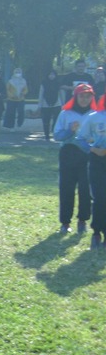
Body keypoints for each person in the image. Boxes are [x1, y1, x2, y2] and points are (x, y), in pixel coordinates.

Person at [54, 84, 96, 234]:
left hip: (88, 155)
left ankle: (83, 220)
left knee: (86, 189)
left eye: (88, 96)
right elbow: (57, 136)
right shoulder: (66, 113)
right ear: (76, 97)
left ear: (92, 97)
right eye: (81, 96)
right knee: (66, 188)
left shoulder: (96, 114)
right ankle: (65, 222)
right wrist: (69, 130)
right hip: (68, 153)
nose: (84, 99)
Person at [81, 98, 106, 250]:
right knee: (100, 197)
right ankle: (97, 232)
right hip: (97, 160)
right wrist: (93, 149)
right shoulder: (94, 117)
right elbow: (81, 139)